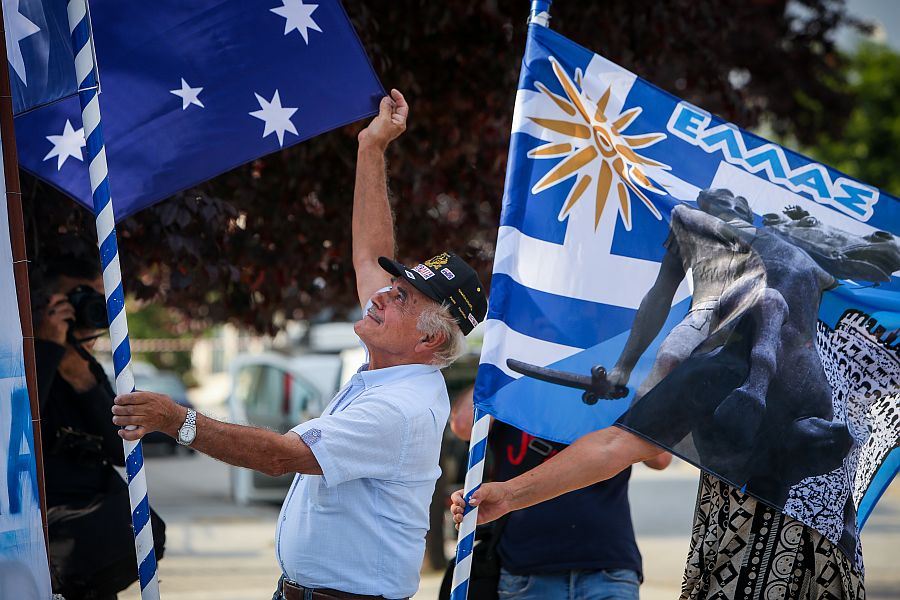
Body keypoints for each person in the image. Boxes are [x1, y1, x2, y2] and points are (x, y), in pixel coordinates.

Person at [112, 89, 489, 600]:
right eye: (393, 287)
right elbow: (370, 257)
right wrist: (371, 148)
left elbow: (280, 457)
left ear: (429, 337)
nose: (380, 295)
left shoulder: (400, 407)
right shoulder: (397, 368)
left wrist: (176, 420)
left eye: (400, 296)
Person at [450, 427, 864, 599]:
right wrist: (509, 495)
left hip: (822, 563)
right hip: (733, 568)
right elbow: (615, 447)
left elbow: (649, 454)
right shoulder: (718, 343)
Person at [447, 386, 671, 600]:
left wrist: (626, 387)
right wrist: (499, 367)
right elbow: (464, 424)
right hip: (526, 563)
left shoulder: (610, 382)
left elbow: (660, 457)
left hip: (607, 560)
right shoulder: (514, 384)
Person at [32, 253, 166, 600]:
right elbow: (20, 432)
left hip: (93, 550)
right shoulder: (26, 361)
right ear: (49, 304)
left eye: (96, 295)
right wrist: (47, 349)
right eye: (78, 296)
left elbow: (123, 451)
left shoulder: (85, 366)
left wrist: (83, 380)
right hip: (47, 545)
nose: (88, 306)